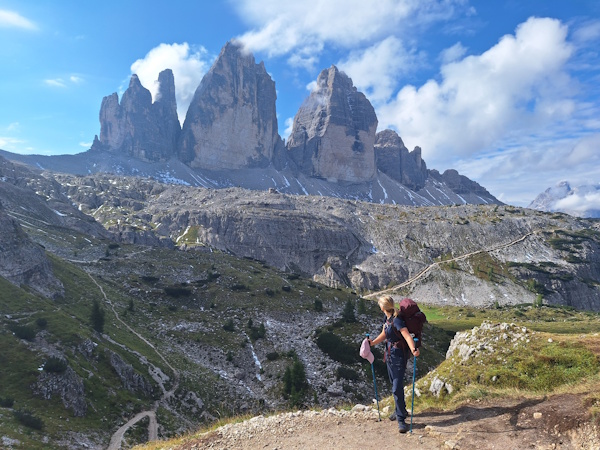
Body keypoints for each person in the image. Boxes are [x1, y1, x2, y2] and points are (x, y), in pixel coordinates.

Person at [368, 295, 420, 433]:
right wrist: (373, 342)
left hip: (398, 356)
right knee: (394, 384)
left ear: (383, 307)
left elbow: (407, 335)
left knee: (396, 386)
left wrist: (414, 349)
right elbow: (385, 333)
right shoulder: (387, 319)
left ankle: (401, 419)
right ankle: (400, 410)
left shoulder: (397, 320)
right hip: (390, 354)